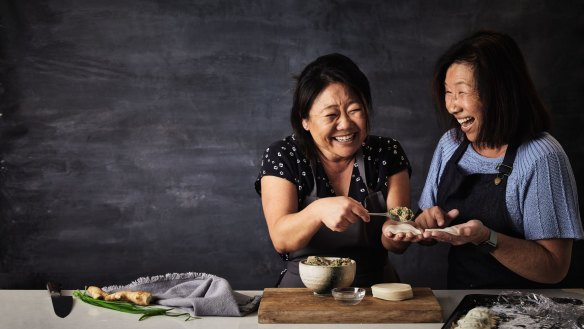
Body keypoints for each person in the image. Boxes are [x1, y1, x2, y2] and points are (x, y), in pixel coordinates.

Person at [415, 30, 583, 289]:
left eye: (462, 92)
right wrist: (423, 224)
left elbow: (555, 267)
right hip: (464, 307)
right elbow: (424, 223)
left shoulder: (542, 157)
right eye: (448, 92)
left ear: (499, 92)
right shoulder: (450, 144)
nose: (452, 106)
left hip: (528, 311)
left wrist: (486, 238)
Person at [255, 53, 419, 288]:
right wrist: (318, 210)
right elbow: (281, 240)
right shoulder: (284, 155)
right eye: (331, 115)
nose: (345, 124)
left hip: (376, 289)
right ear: (305, 120)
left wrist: (398, 233)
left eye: (354, 110)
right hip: (303, 289)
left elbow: (396, 241)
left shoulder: (386, 153)